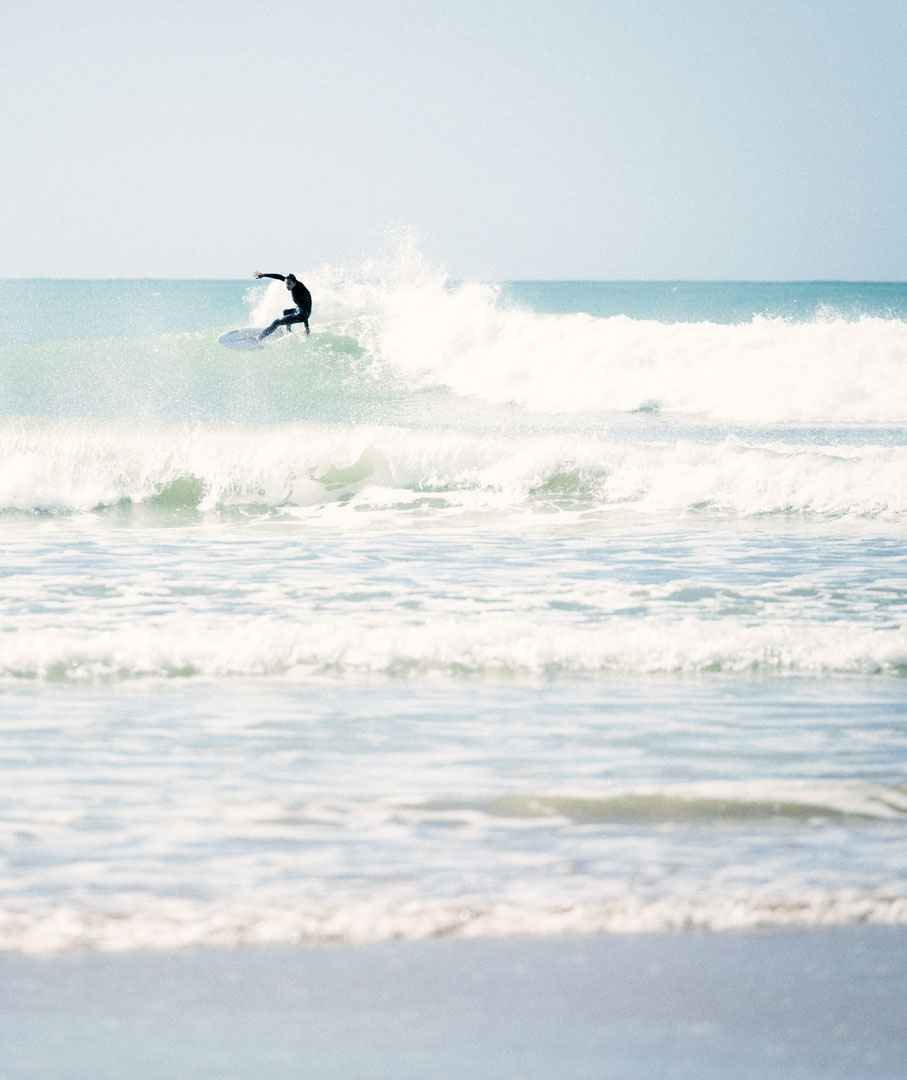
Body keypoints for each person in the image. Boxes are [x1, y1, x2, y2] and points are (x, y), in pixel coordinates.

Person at [255, 271, 312, 339]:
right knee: (285, 312)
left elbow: (305, 312)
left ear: (294, 282)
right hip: (299, 309)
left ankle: (260, 338)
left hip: (302, 314)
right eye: (286, 283)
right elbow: (279, 276)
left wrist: (307, 328)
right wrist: (264, 275)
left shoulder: (301, 291)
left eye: (289, 284)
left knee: (277, 322)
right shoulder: (292, 281)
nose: (287, 286)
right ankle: (288, 331)